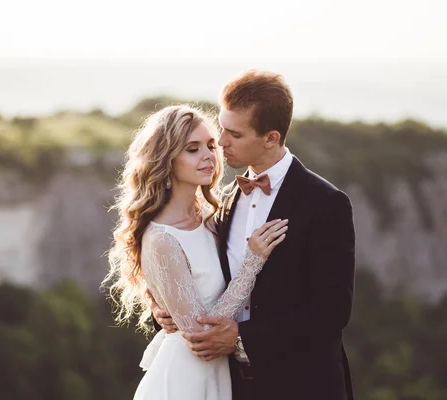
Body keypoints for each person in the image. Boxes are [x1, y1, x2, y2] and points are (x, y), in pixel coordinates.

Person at [150, 70, 356, 400]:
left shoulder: (326, 204)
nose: (221, 142)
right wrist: (166, 315)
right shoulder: (223, 200)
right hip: (228, 386)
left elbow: (332, 312)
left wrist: (242, 337)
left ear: (271, 138)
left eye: (234, 134)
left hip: (303, 385)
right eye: (222, 128)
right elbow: (201, 280)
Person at [103, 104, 289, 400]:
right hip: (184, 380)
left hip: (220, 376)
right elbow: (201, 334)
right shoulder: (161, 237)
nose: (208, 156)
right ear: (166, 160)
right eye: (192, 149)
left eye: (211, 145)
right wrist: (253, 262)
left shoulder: (212, 217)